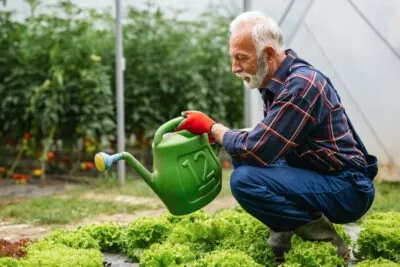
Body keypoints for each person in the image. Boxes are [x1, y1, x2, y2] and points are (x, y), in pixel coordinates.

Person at [176, 11, 378, 264]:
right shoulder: (276, 82)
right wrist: (221, 135)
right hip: (321, 174)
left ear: (269, 54)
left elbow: (257, 148)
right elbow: (268, 139)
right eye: (233, 58)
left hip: (347, 188)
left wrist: (213, 127)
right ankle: (284, 234)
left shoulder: (302, 84)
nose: (234, 68)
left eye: (241, 58)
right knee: (243, 157)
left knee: (244, 179)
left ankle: (328, 243)